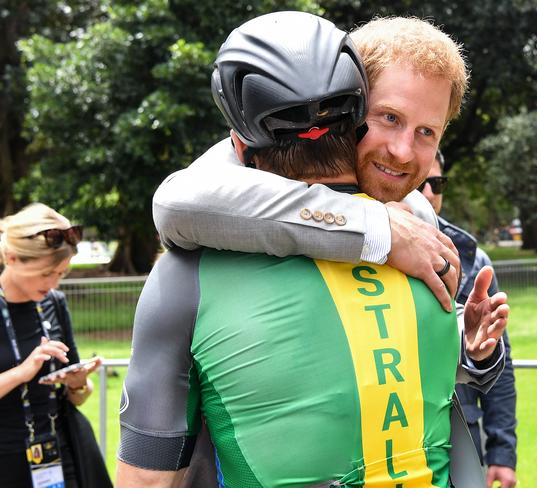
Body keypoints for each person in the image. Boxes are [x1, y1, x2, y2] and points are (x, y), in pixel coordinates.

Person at [117, 12, 509, 487]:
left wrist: (467, 353)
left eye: (426, 132)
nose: (404, 152)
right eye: (389, 118)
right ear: (346, 104)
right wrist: (376, 228)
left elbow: (146, 476)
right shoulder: (405, 235)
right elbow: (179, 202)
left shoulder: (421, 238)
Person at [421, 151, 517, 488]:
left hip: (462, 436)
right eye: (421, 182)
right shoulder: (371, 242)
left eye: (436, 183)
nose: (429, 192)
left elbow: (498, 364)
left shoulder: (472, 255)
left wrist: (504, 453)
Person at [0, 203, 108, 488]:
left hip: (59, 453)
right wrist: (22, 372)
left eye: (60, 274)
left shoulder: (54, 303)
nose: (53, 284)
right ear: (11, 258)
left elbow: (78, 396)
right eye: (46, 273)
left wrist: (77, 383)